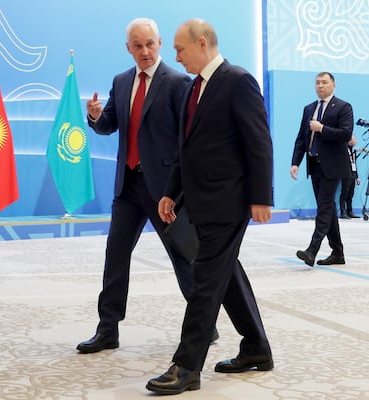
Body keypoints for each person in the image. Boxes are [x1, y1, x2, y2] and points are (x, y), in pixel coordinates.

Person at [146, 19, 274, 395]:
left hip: (227, 202)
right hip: (200, 200)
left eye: (180, 49)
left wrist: (262, 196)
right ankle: (256, 348)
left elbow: (259, 142)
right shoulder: (192, 89)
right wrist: (171, 192)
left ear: (202, 44)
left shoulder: (237, 80)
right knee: (225, 274)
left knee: (205, 281)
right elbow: (185, 149)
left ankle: (186, 366)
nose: (175, 56)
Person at [77, 17, 218, 354]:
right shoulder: (121, 81)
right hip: (127, 187)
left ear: (159, 43)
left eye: (149, 44)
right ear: (128, 48)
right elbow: (110, 124)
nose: (144, 51)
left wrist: (182, 187)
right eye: (137, 46)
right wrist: (96, 116)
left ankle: (205, 325)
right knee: (115, 257)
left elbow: (188, 136)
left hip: (164, 189)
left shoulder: (177, 81)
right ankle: (107, 329)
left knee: (183, 257)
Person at [291, 72, 353, 267]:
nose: (320, 86)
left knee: (324, 207)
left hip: (333, 166)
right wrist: (295, 163)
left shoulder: (343, 107)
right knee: (329, 210)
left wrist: (322, 129)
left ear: (333, 85)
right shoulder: (309, 108)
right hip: (314, 165)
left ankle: (312, 250)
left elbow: (345, 134)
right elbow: (301, 138)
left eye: (324, 82)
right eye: (317, 82)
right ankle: (338, 252)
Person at [339, 135, 360, 219]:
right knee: (344, 193)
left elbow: (354, 164)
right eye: (354, 139)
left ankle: (349, 211)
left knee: (350, 194)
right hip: (346, 174)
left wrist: (357, 177)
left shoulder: (353, 151)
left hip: (353, 174)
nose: (355, 140)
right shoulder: (344, 150)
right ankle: (342, 211)